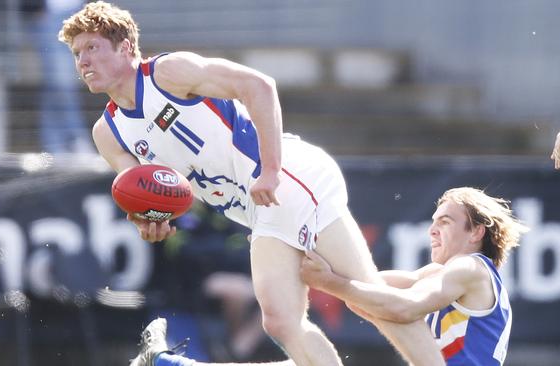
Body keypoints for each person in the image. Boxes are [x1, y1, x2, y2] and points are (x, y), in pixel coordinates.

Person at [58, 2, 445, 365]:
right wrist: (149, 221)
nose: (84, 61)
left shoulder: (168, 73)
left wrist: (271, 169)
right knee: (298, 316)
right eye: (77, 54)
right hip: (262, 208)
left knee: (356, 299)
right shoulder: (107, 133)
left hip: (288, 177)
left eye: (92, 47)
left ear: (126, 48)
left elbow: (259, 86)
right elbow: (145, 194)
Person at [300, 187, 528, 365]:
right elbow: (365, 287)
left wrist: (329, 282)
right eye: (433, 221)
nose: (432, 230)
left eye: (445, 222)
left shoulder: (470, 268)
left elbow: (404, 308)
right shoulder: (441, 274)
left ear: (477, 232)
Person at [22, 0, 94, 153]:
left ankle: (53, 147)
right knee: (60, 82)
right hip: (49, 15)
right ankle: (75, 138)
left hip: (78, 12)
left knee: (54, 86)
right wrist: (34, 10)